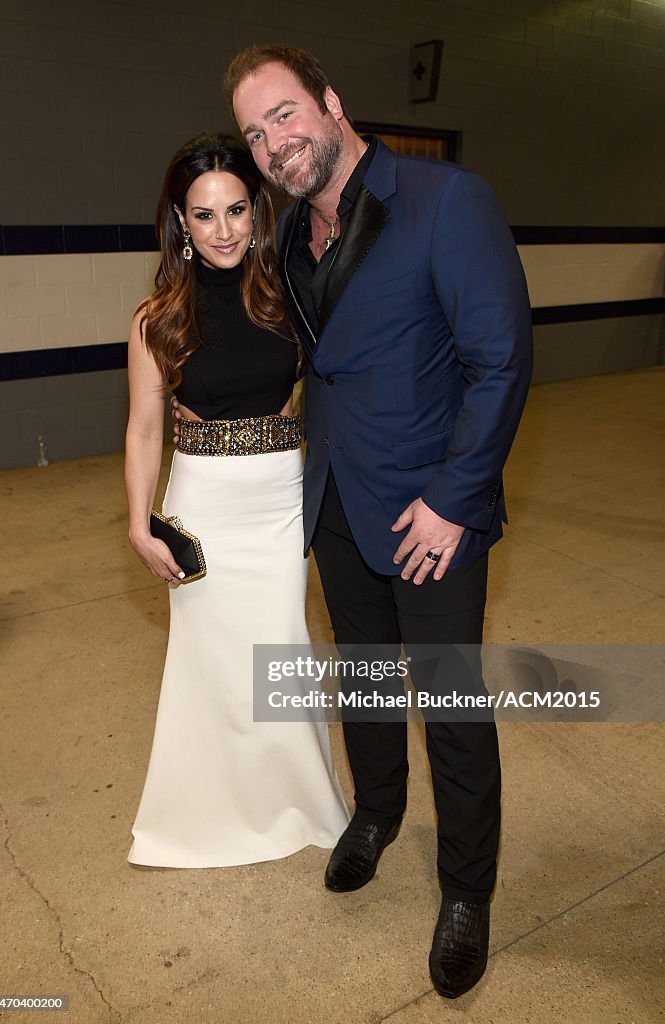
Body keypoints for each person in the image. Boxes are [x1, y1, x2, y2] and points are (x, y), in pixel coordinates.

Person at [219, 45, 534, 999]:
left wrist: (453, 500)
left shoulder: (445, 199)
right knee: (360, 680)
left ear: (329, 102)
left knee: (449, 704)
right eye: (255, 133)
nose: (274, 143)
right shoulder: (285, 238)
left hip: (429, 511)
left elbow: (501, 359)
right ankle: (376, 814)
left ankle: (466, 891)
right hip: (339, 510)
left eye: (284, 115)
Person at [124, 132, 349, 869]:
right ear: (180, 225)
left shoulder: (289, 294)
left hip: (282, 499)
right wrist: (138, 522)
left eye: (235, 210)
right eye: (203, 215)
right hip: (206, 506)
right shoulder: (156, 317)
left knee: (280, 650)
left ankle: (298, 802)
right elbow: (145, 425)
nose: (223, 230)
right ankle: (205, 815)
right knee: (212, 662)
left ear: (257, 211)